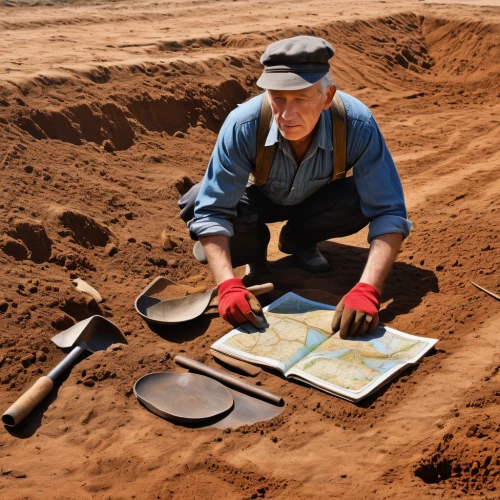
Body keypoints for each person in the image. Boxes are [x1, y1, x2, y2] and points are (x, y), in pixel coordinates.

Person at [179, 36, 412, 338]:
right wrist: (226, 284)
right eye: (278, 98)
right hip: (257, 199)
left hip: (317, 199)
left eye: (301, 99)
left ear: (327, 97)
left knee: (363, 196)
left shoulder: (357, 124)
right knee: (197, 200)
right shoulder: (242, 125)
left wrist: (368, 289)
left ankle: (299, 239)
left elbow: (390, 211)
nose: (286, 116)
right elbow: (212, 211)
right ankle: (254, 253)